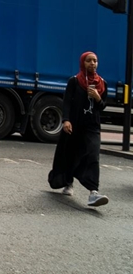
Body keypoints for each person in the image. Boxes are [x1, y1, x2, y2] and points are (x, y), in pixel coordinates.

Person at [49, 51, 109, 208]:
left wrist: (97, 97)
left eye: (95, 61)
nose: (92, 63)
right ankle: (68, 182)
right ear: (83, 63)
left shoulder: (102, 84)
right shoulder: (75, 81)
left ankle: (93, 192)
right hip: (75, 124)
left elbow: (102, 107)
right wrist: (66, 120)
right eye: (89, 61)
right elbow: (67, 102)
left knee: (93, 155)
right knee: (70, 154)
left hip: (92, 126)